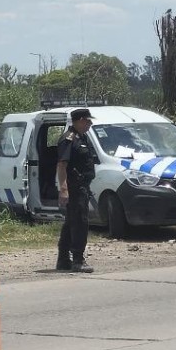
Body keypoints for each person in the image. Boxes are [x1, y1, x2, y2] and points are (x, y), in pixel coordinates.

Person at [56, 108, 96, 273]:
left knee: (71, 223)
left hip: (82, 187)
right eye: (87, 120)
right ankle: (78, 260)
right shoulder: (69, 139)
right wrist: (64, 189)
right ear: (79, 120)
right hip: (74, 188)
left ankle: (63, 259)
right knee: (80, 222)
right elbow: (62, 165)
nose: (90, 123)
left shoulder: (83, 137)